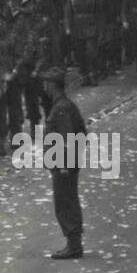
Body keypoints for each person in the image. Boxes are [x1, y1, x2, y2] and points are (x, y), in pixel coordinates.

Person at [40, 67, 85, 259]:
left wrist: (65, 163)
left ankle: (73, 245)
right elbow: (82, 132)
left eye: (46, 83)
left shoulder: (60, 108)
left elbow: (67, 137)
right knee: (68, 201)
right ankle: (74, 243)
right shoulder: (66, 105)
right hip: (65, 162)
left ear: (51, 86)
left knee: (65, 203)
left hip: (63, 164)